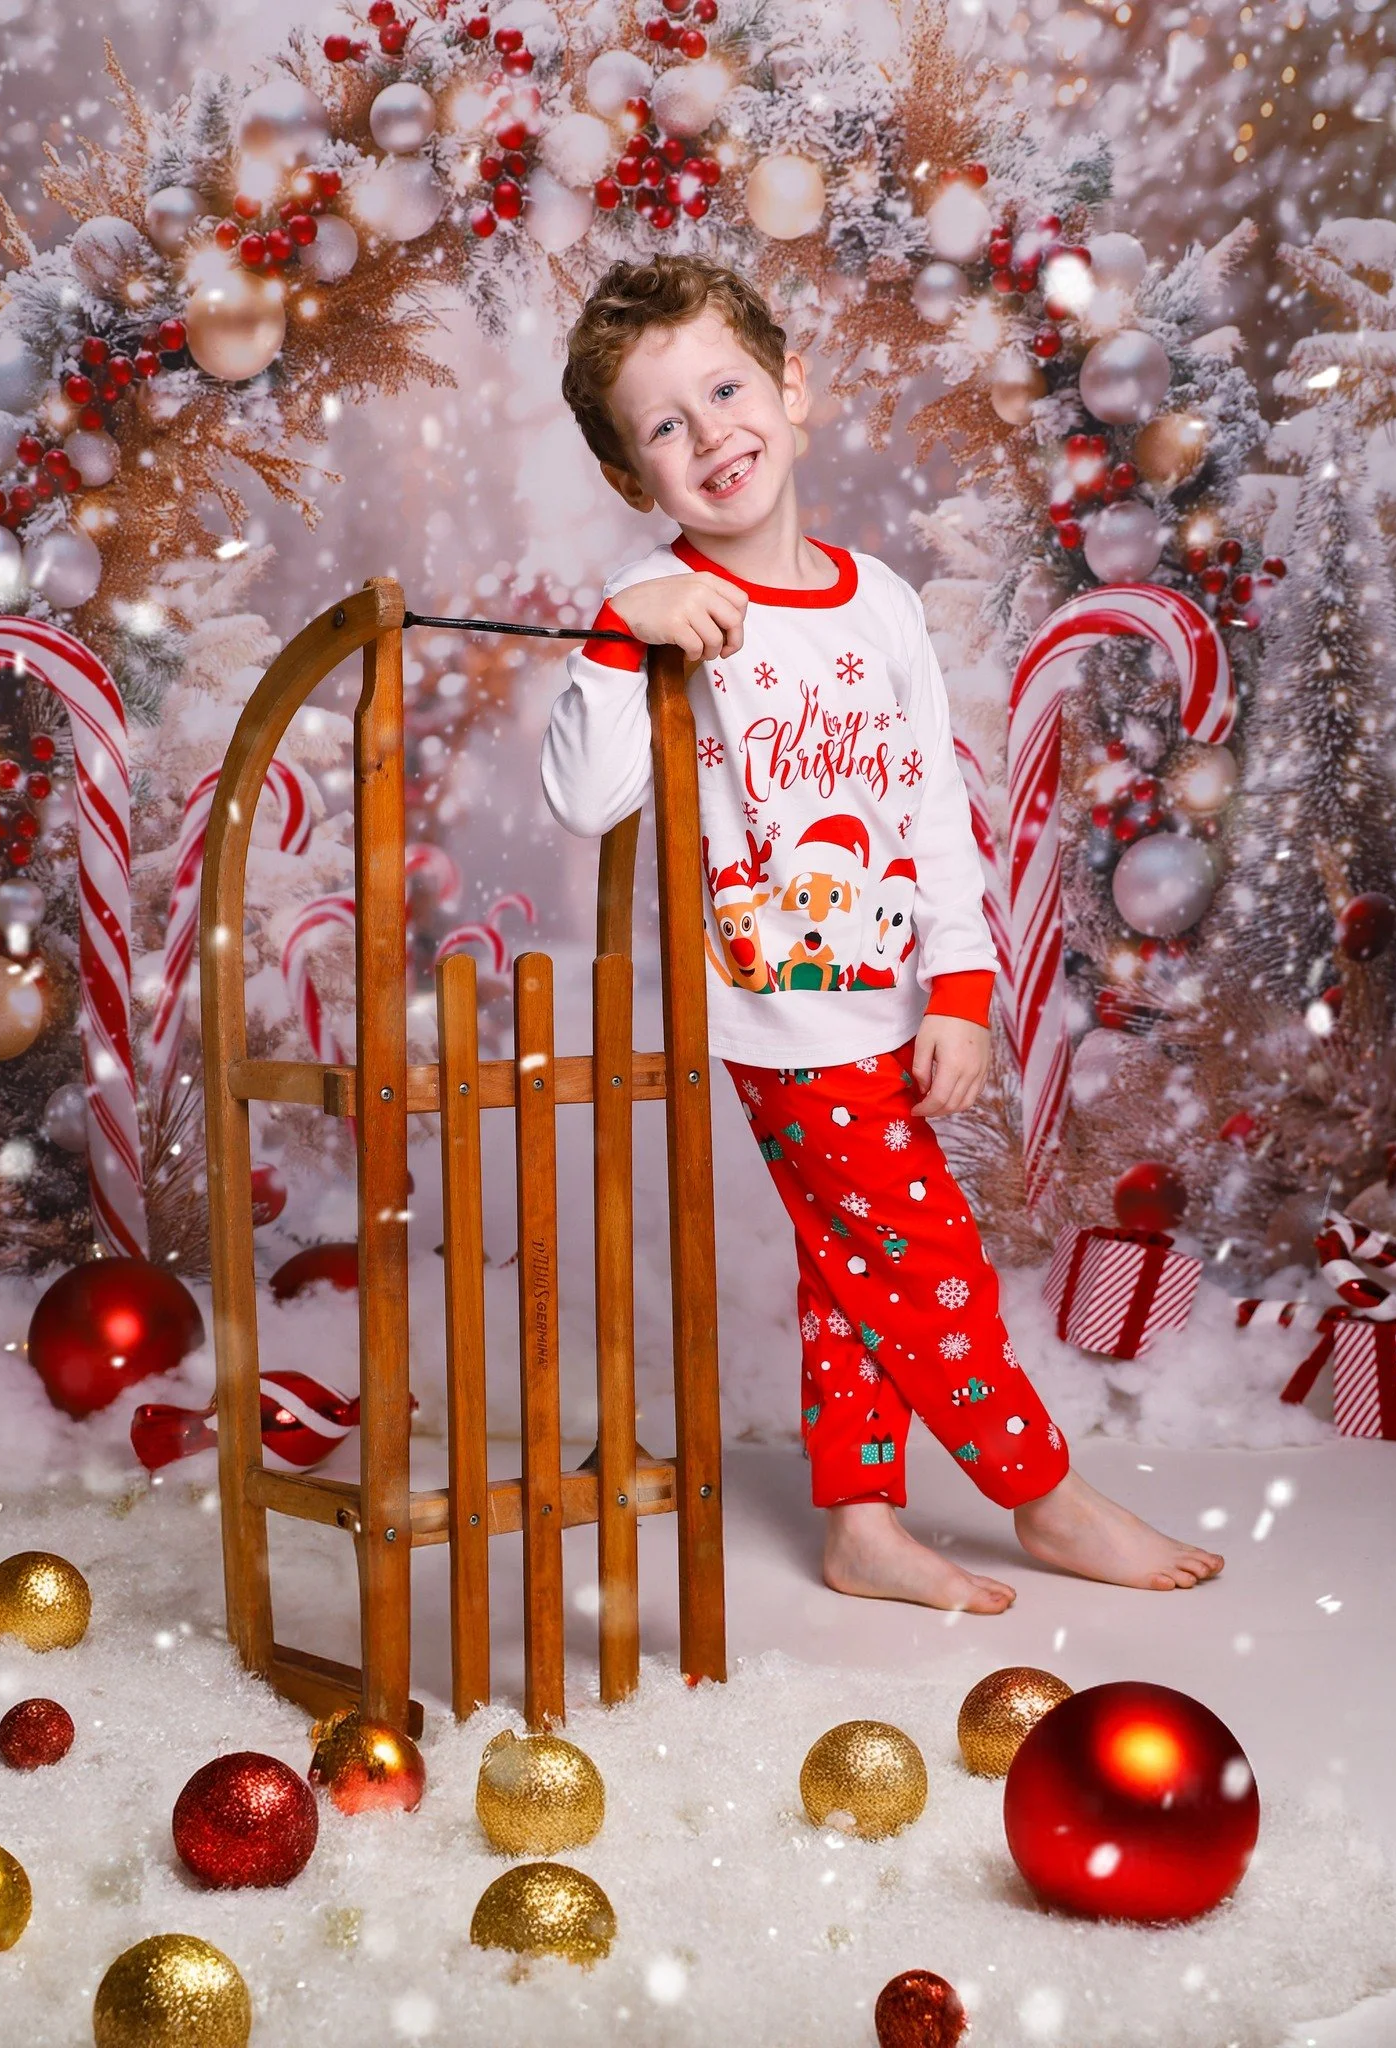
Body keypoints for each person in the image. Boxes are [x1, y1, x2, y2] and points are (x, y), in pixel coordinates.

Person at [540, 254, 1223, 1610]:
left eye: (725, 390)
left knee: (852, 1258)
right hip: (778, 1008)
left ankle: (859, 1525)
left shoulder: (881, 602)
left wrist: (958, 991)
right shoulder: (663, 607)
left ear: (791, 388)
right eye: (663, 425)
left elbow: (930, 814)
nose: (709, 434)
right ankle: (1043, 1495)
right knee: (927, 1261)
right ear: (631, 475)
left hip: (891, 993)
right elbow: (585, 795)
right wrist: (621, 629)